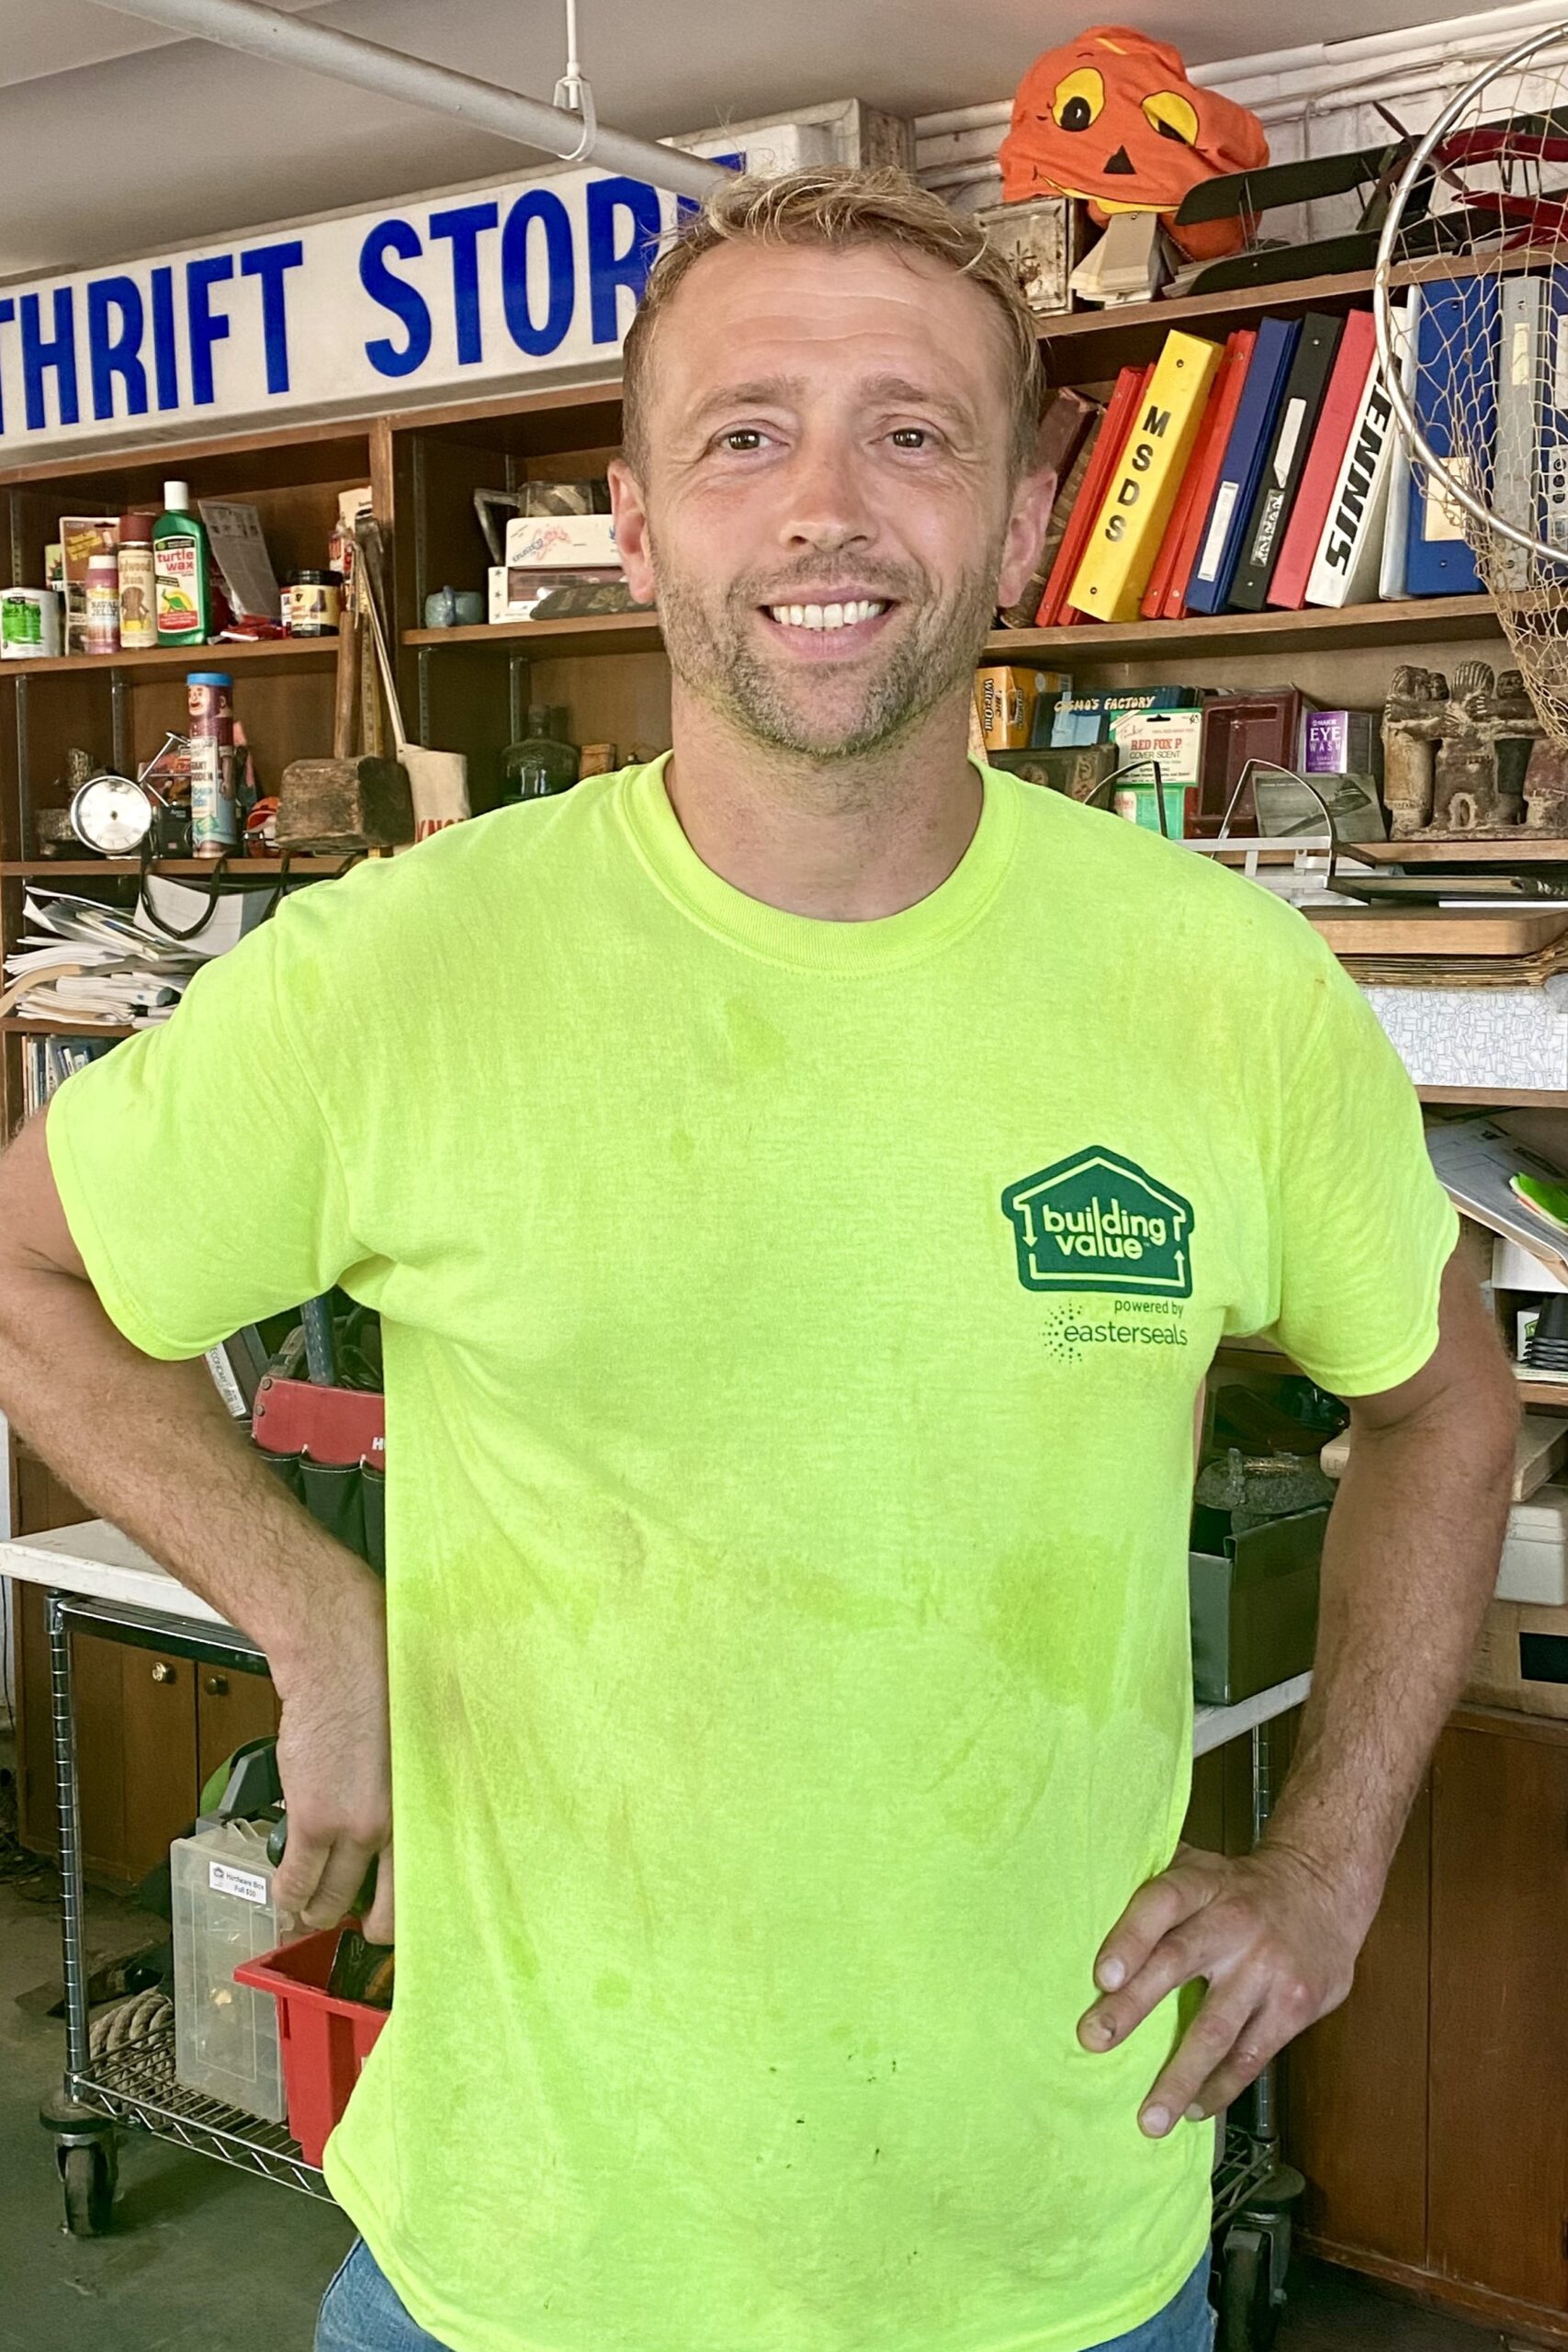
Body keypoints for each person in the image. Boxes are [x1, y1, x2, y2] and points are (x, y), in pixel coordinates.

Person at [0, 165, 1516, 2352]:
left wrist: (1329, 1862)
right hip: (521, 2251)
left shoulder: (1221, 987)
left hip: (1048, 2246)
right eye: (744, 432)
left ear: (1014, 521)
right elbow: (31, 1269)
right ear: (639, 518)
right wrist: (314, 1612)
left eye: (910, 431)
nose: (826, 506)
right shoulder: (406, 970)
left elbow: (1438, 1390)